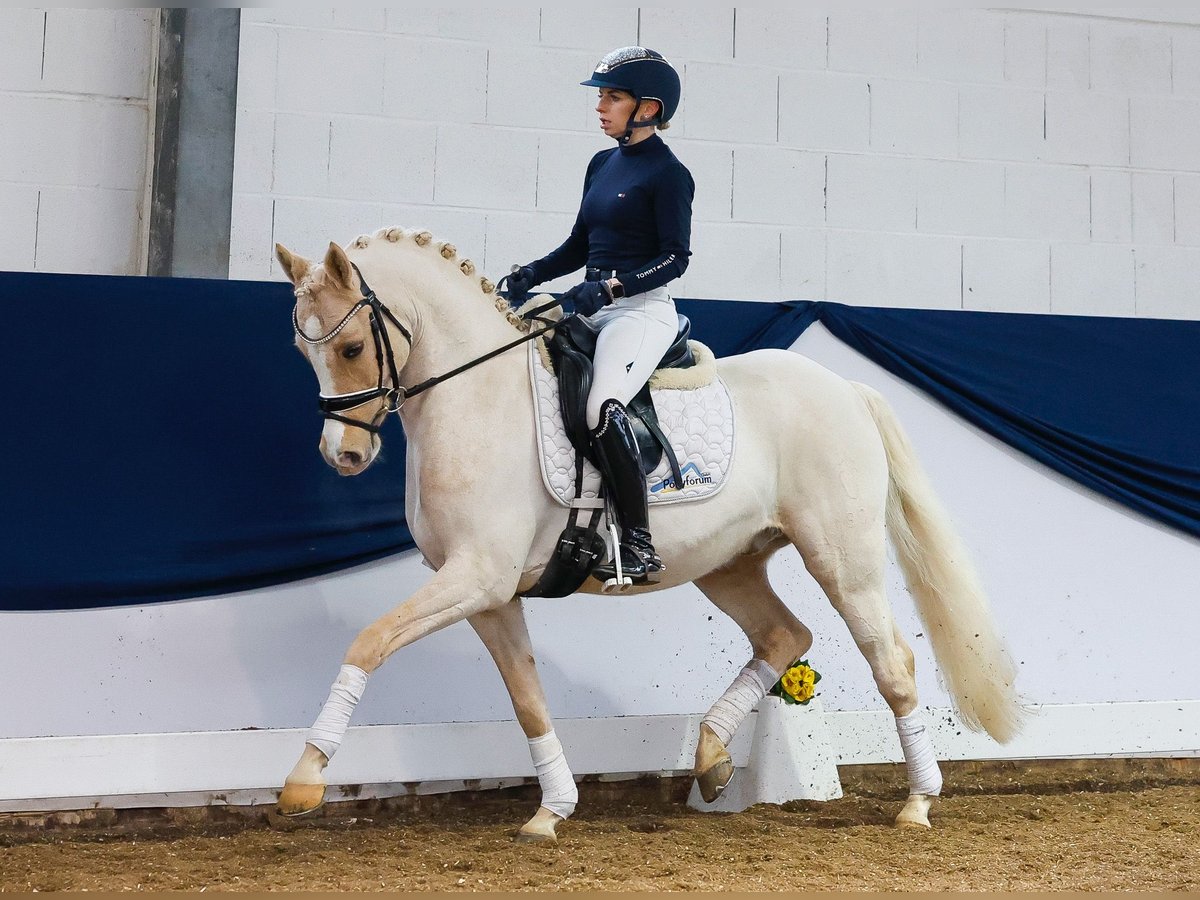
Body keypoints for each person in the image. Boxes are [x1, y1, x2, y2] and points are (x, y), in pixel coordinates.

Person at [508, 46, 694, 585]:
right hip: (593, 307)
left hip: (639, 314)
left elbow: (675, 258)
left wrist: (614, 288)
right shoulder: (601, 163)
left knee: (601, 406)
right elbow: (579, 245)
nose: (600, 107)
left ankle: (638, 543)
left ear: (649, 107)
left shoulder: (669, 174)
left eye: (612, 97)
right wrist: (531, 275)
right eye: (602, 97)